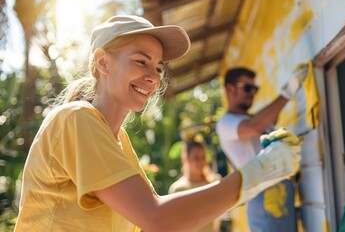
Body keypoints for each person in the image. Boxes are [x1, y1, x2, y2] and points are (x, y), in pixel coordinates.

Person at [14, 15, 302, 232]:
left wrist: (258, 176)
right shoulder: (76, 118)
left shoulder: (118, 139)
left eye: (158, 68)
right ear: (103, 63)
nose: (153, 77)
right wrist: (257, 173)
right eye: (141, 62)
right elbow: (157, 218)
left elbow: (152, 220)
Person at [216, 67, 307, 232]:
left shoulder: (250, 119)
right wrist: (287, 92)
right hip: (262, 196)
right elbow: (255, 126)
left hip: (279, 193)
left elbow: (264, 120)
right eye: (247, 88)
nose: (253, 93)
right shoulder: (226, 123)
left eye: (255, 89)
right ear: (230, 89)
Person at [169, 139, 222, 232]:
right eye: (196, 157)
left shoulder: (214, 182)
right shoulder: (178, 189)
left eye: (203, 156)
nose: (201, 161)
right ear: (186, 158)